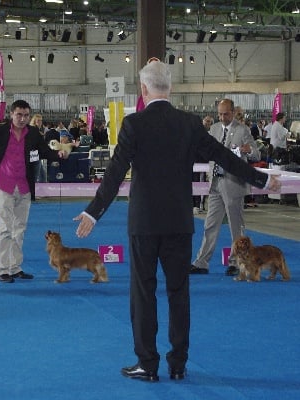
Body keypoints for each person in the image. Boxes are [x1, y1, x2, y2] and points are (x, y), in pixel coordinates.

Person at [73, 61, 280, 382]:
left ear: (143, 90)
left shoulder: (133, 124)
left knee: (143, 292)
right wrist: (263, 180)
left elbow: (114, 174)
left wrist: (93, 211)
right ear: (170, 88)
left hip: (143, 223)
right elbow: (225, 157)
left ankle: (147, 363)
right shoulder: (190, 123)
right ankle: (178, 363)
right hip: (180, 222)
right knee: (178, 293)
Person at [0, 100, 65, 283]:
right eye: (19, 115)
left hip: (24, 187)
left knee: (19, 229)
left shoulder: (33, 133)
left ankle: (15, 267)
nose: (23, 119)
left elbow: (43, 151)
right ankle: (2, 270)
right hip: (3, 185)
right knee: (4, 228)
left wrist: (58, 154)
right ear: (11, 114)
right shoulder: (0, 131)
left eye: (26, 115)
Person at [190, 99, 263, 276]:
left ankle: (237, 263)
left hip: (234, 183)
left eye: (226, 114)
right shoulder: (214, 129)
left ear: (233, 112)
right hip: (216, 182)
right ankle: (201, 262)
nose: (222, 117)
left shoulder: (243, 129)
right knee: (210, 224)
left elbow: (257, 153)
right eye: (220, 114)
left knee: (235, 227)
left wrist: (248, 150)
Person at [30, 113, 47, 183]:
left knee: (42, 175)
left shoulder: (36, 130)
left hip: (35, 154)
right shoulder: (35, 130)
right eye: (38, 121)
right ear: (34, 122)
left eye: (41, 120)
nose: (40, 122)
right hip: (34, 154)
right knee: (36, 176)